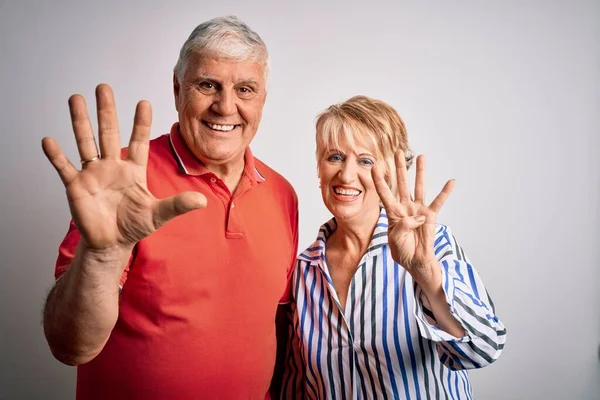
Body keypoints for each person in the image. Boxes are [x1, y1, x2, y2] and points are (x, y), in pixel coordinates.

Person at [41, 16, 298, 399]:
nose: (225, 107)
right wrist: (102, 256)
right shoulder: (122, 183)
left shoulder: (282, 193)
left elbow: (274, 326)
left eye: (245, 89)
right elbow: (70, 346)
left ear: (262, 100)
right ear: (178, 89)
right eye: (207, 85)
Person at [280, 96, 506, 399]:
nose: (346, 175)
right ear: (318, 168)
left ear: (390, 173)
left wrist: (425, 273)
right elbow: (297, 385)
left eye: (365, 161)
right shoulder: (303, 271)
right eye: (334, 157)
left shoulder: (431, 244)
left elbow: (482, 350)